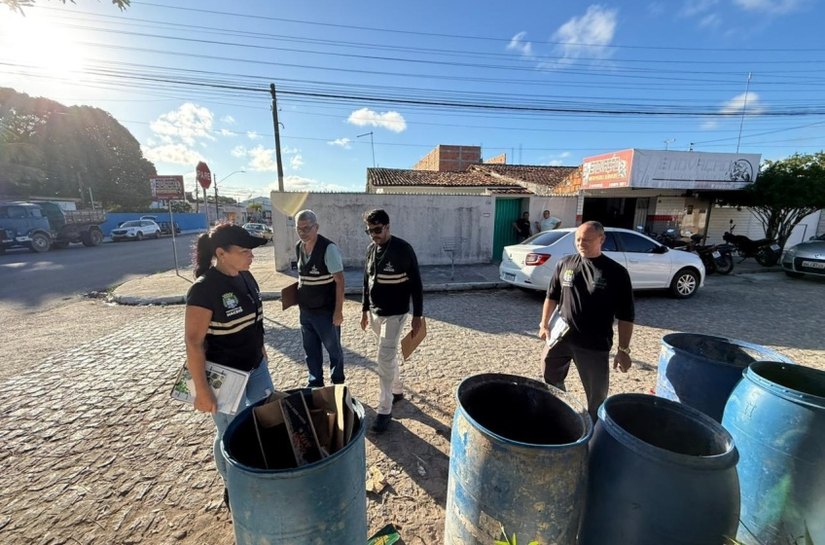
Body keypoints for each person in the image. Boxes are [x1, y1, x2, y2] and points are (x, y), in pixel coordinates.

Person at [184, 223, 273, 506]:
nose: (251, 256)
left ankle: (261, 473)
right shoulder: (204, 290)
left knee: (267, 419)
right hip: (224, 375)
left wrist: (260, 349)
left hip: (256, 367)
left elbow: (256, 321)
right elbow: (194, 342)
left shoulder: (247, 278)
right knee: (230, 435)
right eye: (245, 251)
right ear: (221, 253)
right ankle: (232, 484)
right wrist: (201, 389)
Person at [538, 221, 635, 422]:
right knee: (549, 375)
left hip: (593, 344)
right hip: (560, 338)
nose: (581, 244)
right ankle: (561, 413)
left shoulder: (615, 272)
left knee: (596, 395)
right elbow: (552, 296)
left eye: (587, 240)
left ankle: (593, 431)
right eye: (578, 239)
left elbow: (626, 315)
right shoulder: (565, 264)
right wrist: (544, 323)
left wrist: (623, 350)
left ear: (602, 240)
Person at [360, 209, 424, 433]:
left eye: (377, 230)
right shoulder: (370, 250)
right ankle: (397, 390)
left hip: (396, 314)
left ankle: (384, 410)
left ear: (388, 227)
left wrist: (418, 316)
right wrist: (364, 310)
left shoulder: (403, 249)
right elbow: (366, 281)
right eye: (369, 230)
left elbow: (416, 284)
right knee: (388, 357)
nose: (373, 235)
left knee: (384, 358)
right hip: (377, 313)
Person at [294, 209, 346, 387]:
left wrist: (338, 312)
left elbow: (339, 281)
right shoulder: (299, 247)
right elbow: (303, 277)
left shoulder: (328, 248)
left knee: (334, 350)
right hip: (306, 312)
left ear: (316, 227)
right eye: (299, 229)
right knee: (311, 350)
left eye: (307, 228)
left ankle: (338, 382)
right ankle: (315, 383)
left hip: (325, 312)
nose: (302, 232)